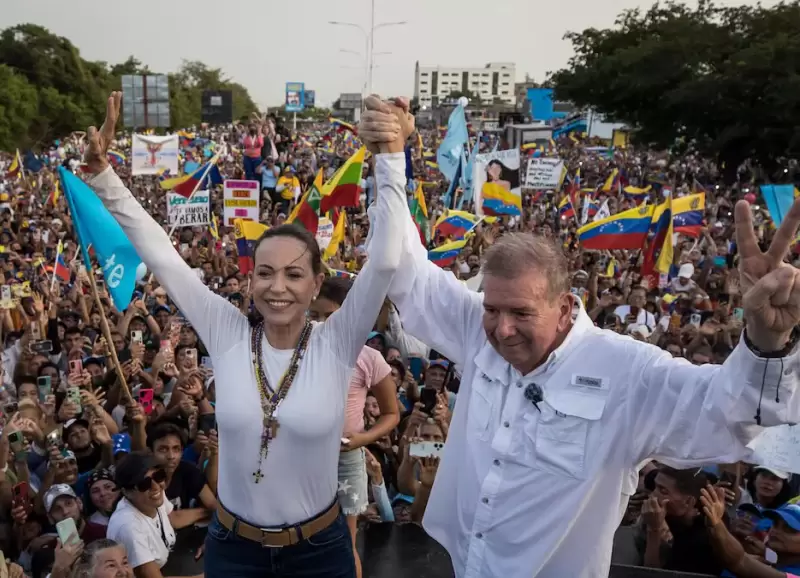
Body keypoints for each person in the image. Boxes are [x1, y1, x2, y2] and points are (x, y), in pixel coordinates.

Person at [360, 95, 800, 578]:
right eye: (491, 310)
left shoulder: (629, 372)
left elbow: (731, 415)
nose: (502, 330)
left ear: (566, 306)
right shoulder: (476, 331)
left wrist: (764, 340)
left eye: (521, 313)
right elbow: (402, 267)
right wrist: (389, 158)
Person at [83, 92, 409, 578]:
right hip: (235, 551)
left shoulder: (337, 342)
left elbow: (384, 259)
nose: (278, 288)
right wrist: (103, 177)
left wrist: (391, 157)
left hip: (319, 550)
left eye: (294, 276)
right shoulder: (227, 332)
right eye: (265, 273)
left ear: (317, 284)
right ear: (250, 278)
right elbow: (164, 258)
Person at [309, 276, 401, 578]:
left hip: (347, 459)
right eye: (315, 315)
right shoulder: (299, 352)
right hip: (305, 459)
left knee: (345, 542)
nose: (321, 322)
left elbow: (391, 414)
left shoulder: (369, 358)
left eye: (329, 315)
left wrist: (362, 439)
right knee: (304, 540)